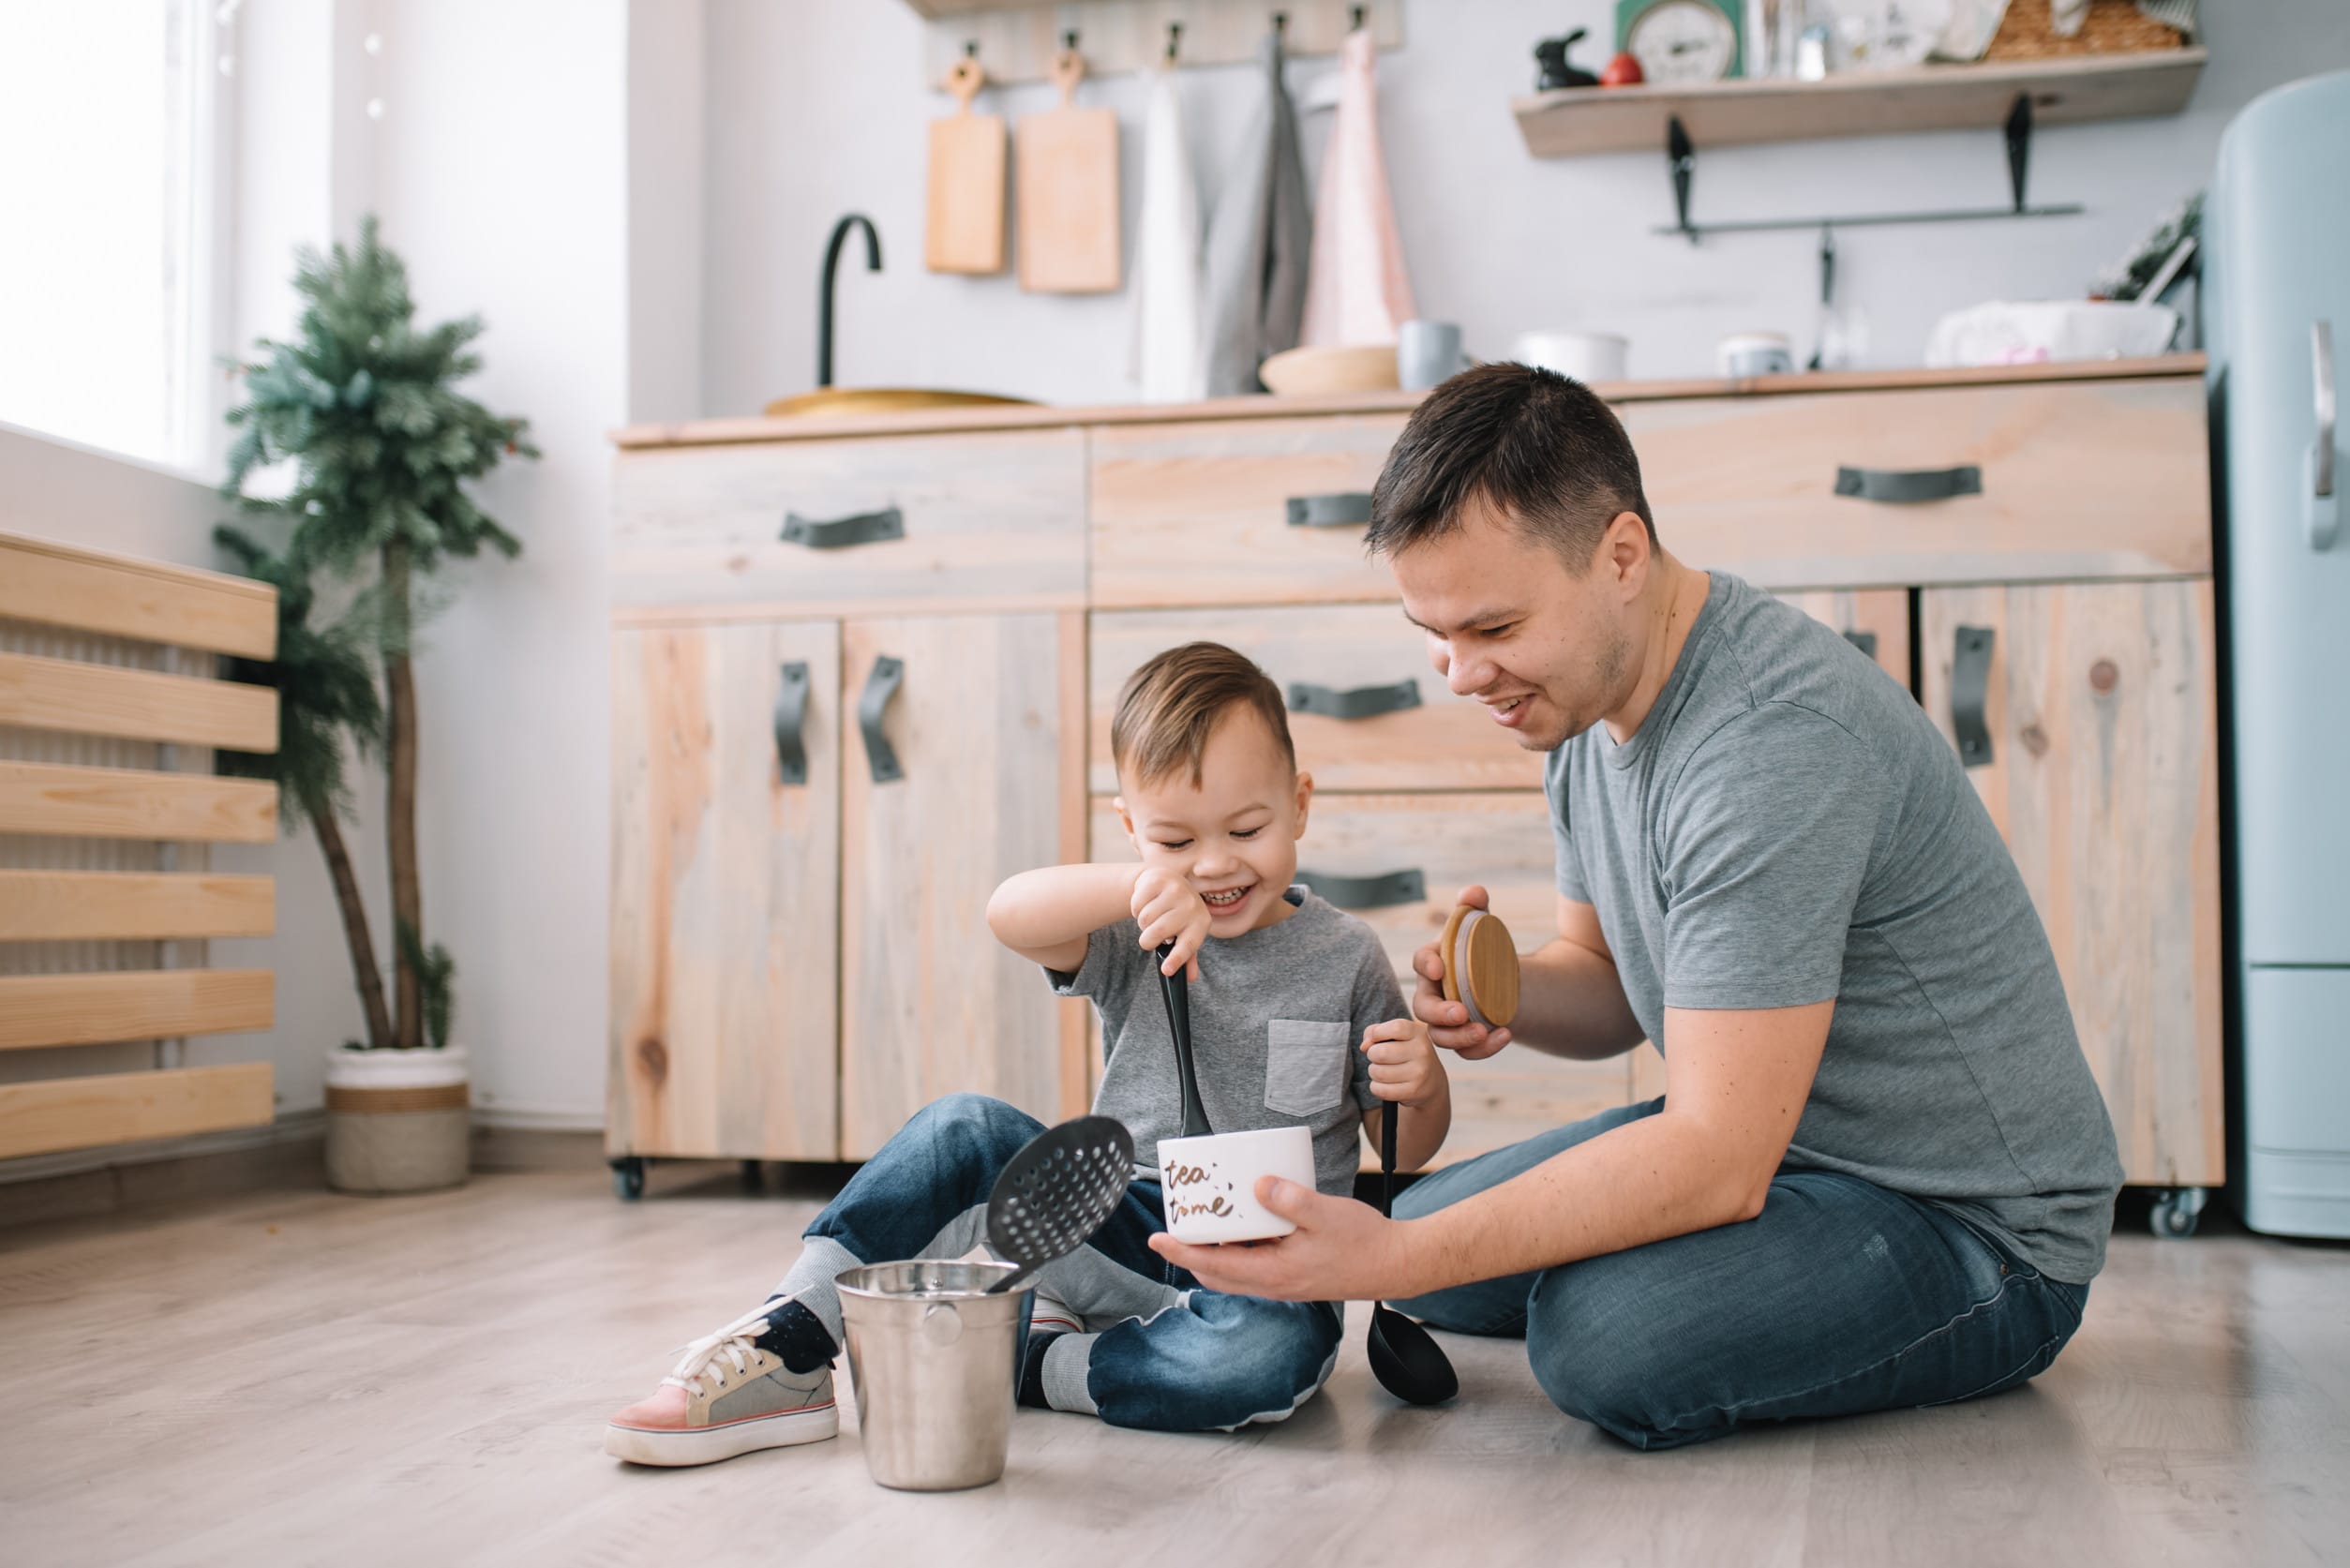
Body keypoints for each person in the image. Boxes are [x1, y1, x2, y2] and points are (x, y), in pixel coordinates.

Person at [1150, 363, 2125, 1450]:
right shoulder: (1576, 701)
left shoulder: (1767, 747)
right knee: (1422, 1221)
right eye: (1434, 632)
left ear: (1619, 555)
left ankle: (1766, 1282)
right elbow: (1610, 984)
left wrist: (1383, 1265)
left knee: (1591, 1338)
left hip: (1972, 1225)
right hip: (1790, 1142)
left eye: (1489, 627)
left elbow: (1712, 1150)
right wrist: (1503, 993)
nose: (1460, 674)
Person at [604, 642, 1447, 1465]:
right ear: (1131, 832)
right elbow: (1011, 912)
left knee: (1255, 1366)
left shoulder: (1346, 956)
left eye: (1246, 828)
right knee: (961, 1127)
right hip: (1118, 1225)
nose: (1214, 864)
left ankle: (1030, 1360)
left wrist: (1419, 1083)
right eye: (1176, 841)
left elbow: (1411, 1136)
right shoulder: (1134, 927)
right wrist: (1132, 887)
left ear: (1298, 805)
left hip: (1271, 1273)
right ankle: (790, 1339)